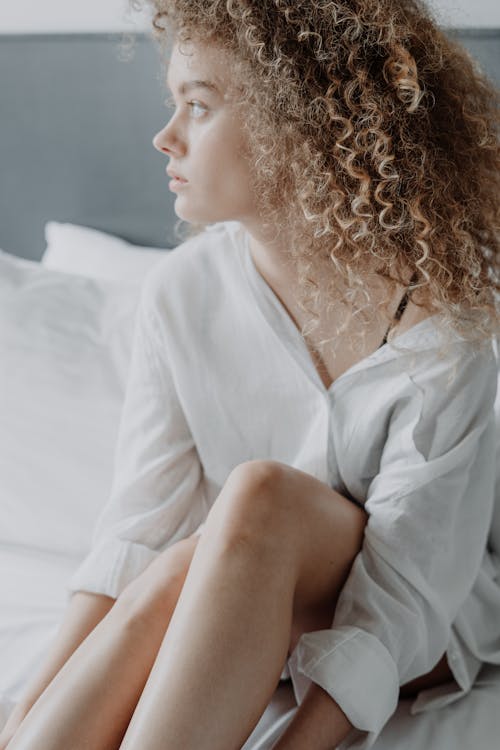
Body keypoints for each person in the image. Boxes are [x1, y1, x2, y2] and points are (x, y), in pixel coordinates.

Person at [1, 1, 499, 749]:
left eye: (197, 107)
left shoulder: (442, 330)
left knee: (260, 494)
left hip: (425, 623)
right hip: (248, 586)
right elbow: (135, 534)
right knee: (177, 565)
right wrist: (27, 714)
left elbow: (404, 603)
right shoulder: (182, 293)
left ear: (298, 124)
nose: (165, 138)